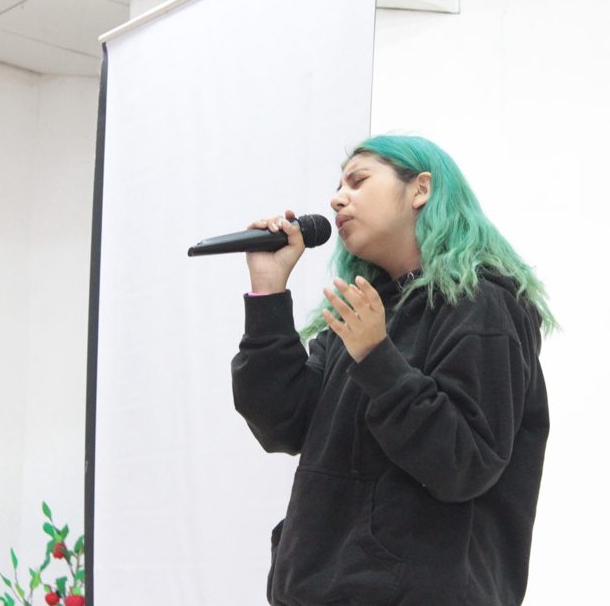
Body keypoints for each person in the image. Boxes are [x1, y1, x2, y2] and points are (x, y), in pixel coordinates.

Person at [231, 134, 557, 605]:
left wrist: (377, 357)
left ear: (420, 189)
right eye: (338, 188)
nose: (337, 199)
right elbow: (282, 425)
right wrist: (268, 295)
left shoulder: (482, 306)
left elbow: (465, 463)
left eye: (358, 181)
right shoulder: (362, 312)